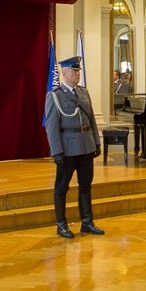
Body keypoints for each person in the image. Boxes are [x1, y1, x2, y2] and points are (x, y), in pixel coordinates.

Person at [44, 56, 104, 238]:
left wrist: (97, 142)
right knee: (62, 187)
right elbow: (52, 126)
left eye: (78, 71)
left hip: (86, 146)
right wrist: (57, 151)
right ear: (64, 73)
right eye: (74, 71)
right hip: (68, 149)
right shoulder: (55, 95)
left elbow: (91, 118)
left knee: (86, 186)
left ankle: (87, 222)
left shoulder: (84, 93)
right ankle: (61, 224)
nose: (77, 74)